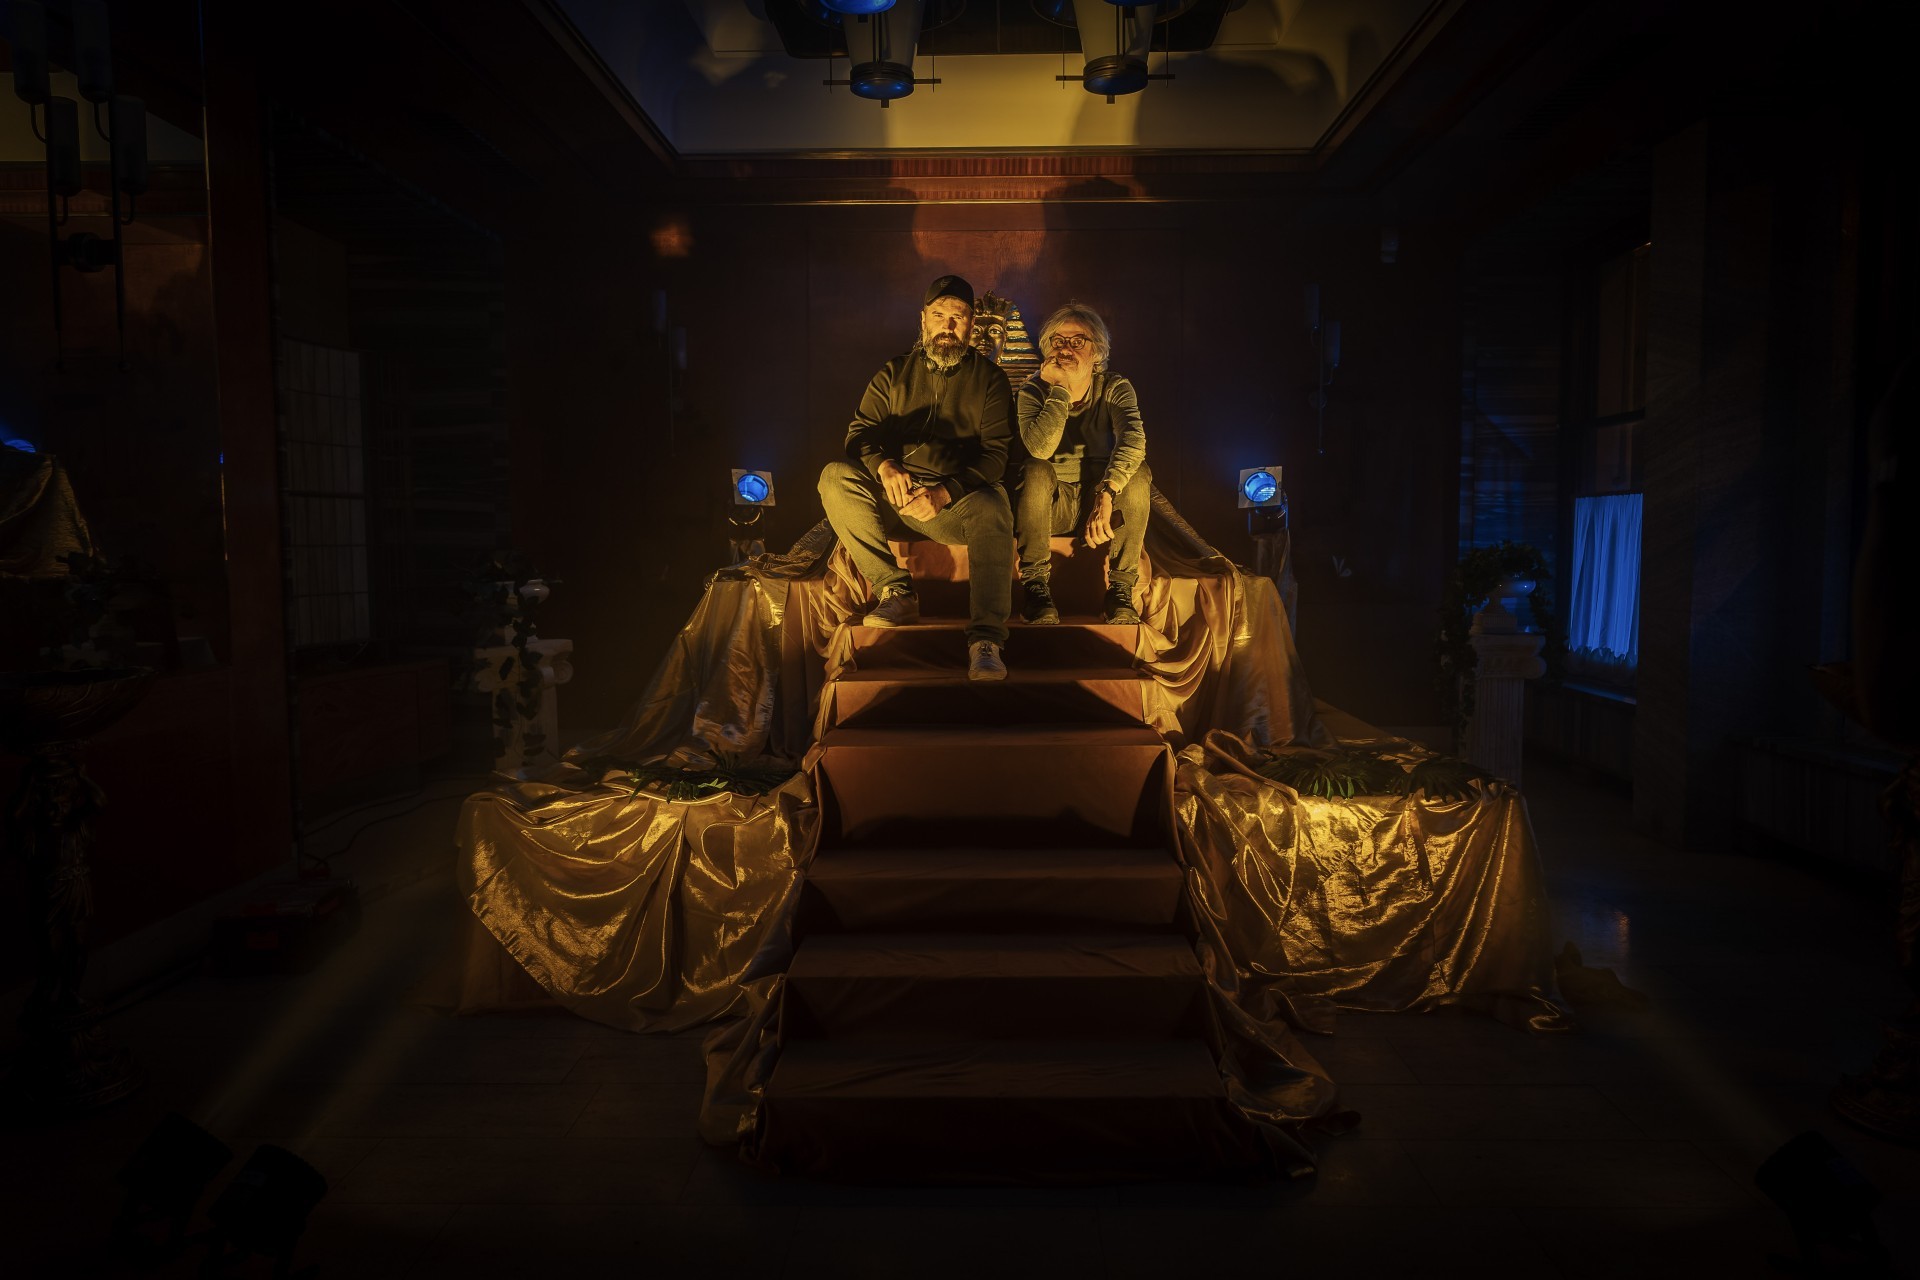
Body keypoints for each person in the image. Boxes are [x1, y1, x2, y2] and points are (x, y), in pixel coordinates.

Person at [817, 274, 1014, 681]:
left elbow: (997, 457)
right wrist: (883, 466)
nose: (947, 326)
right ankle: (896, 590)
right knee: (835, 476)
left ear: (971, 324)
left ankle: (986, 640)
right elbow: (858, 434)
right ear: (923, 320)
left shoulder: (991, 380)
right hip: (897, 496)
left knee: (994, 504)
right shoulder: (893, 373)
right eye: (938, 315)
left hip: (954, 504)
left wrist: (944, 492)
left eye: (957, 317)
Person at [1012, 302, 1151, 624]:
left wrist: (1107, 492)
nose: (1066, 349)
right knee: (1035, 469)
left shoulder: (1114, 387)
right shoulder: (1032, 391)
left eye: (1078, 341)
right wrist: (1059, 390)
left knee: (1139, 473)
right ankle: (1035, 587)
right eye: (1058, 341)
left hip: (1098, 505)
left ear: (1097, 351)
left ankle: (1120, 590)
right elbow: (1040, 449)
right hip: (1049, 506)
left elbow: (1134, 440)